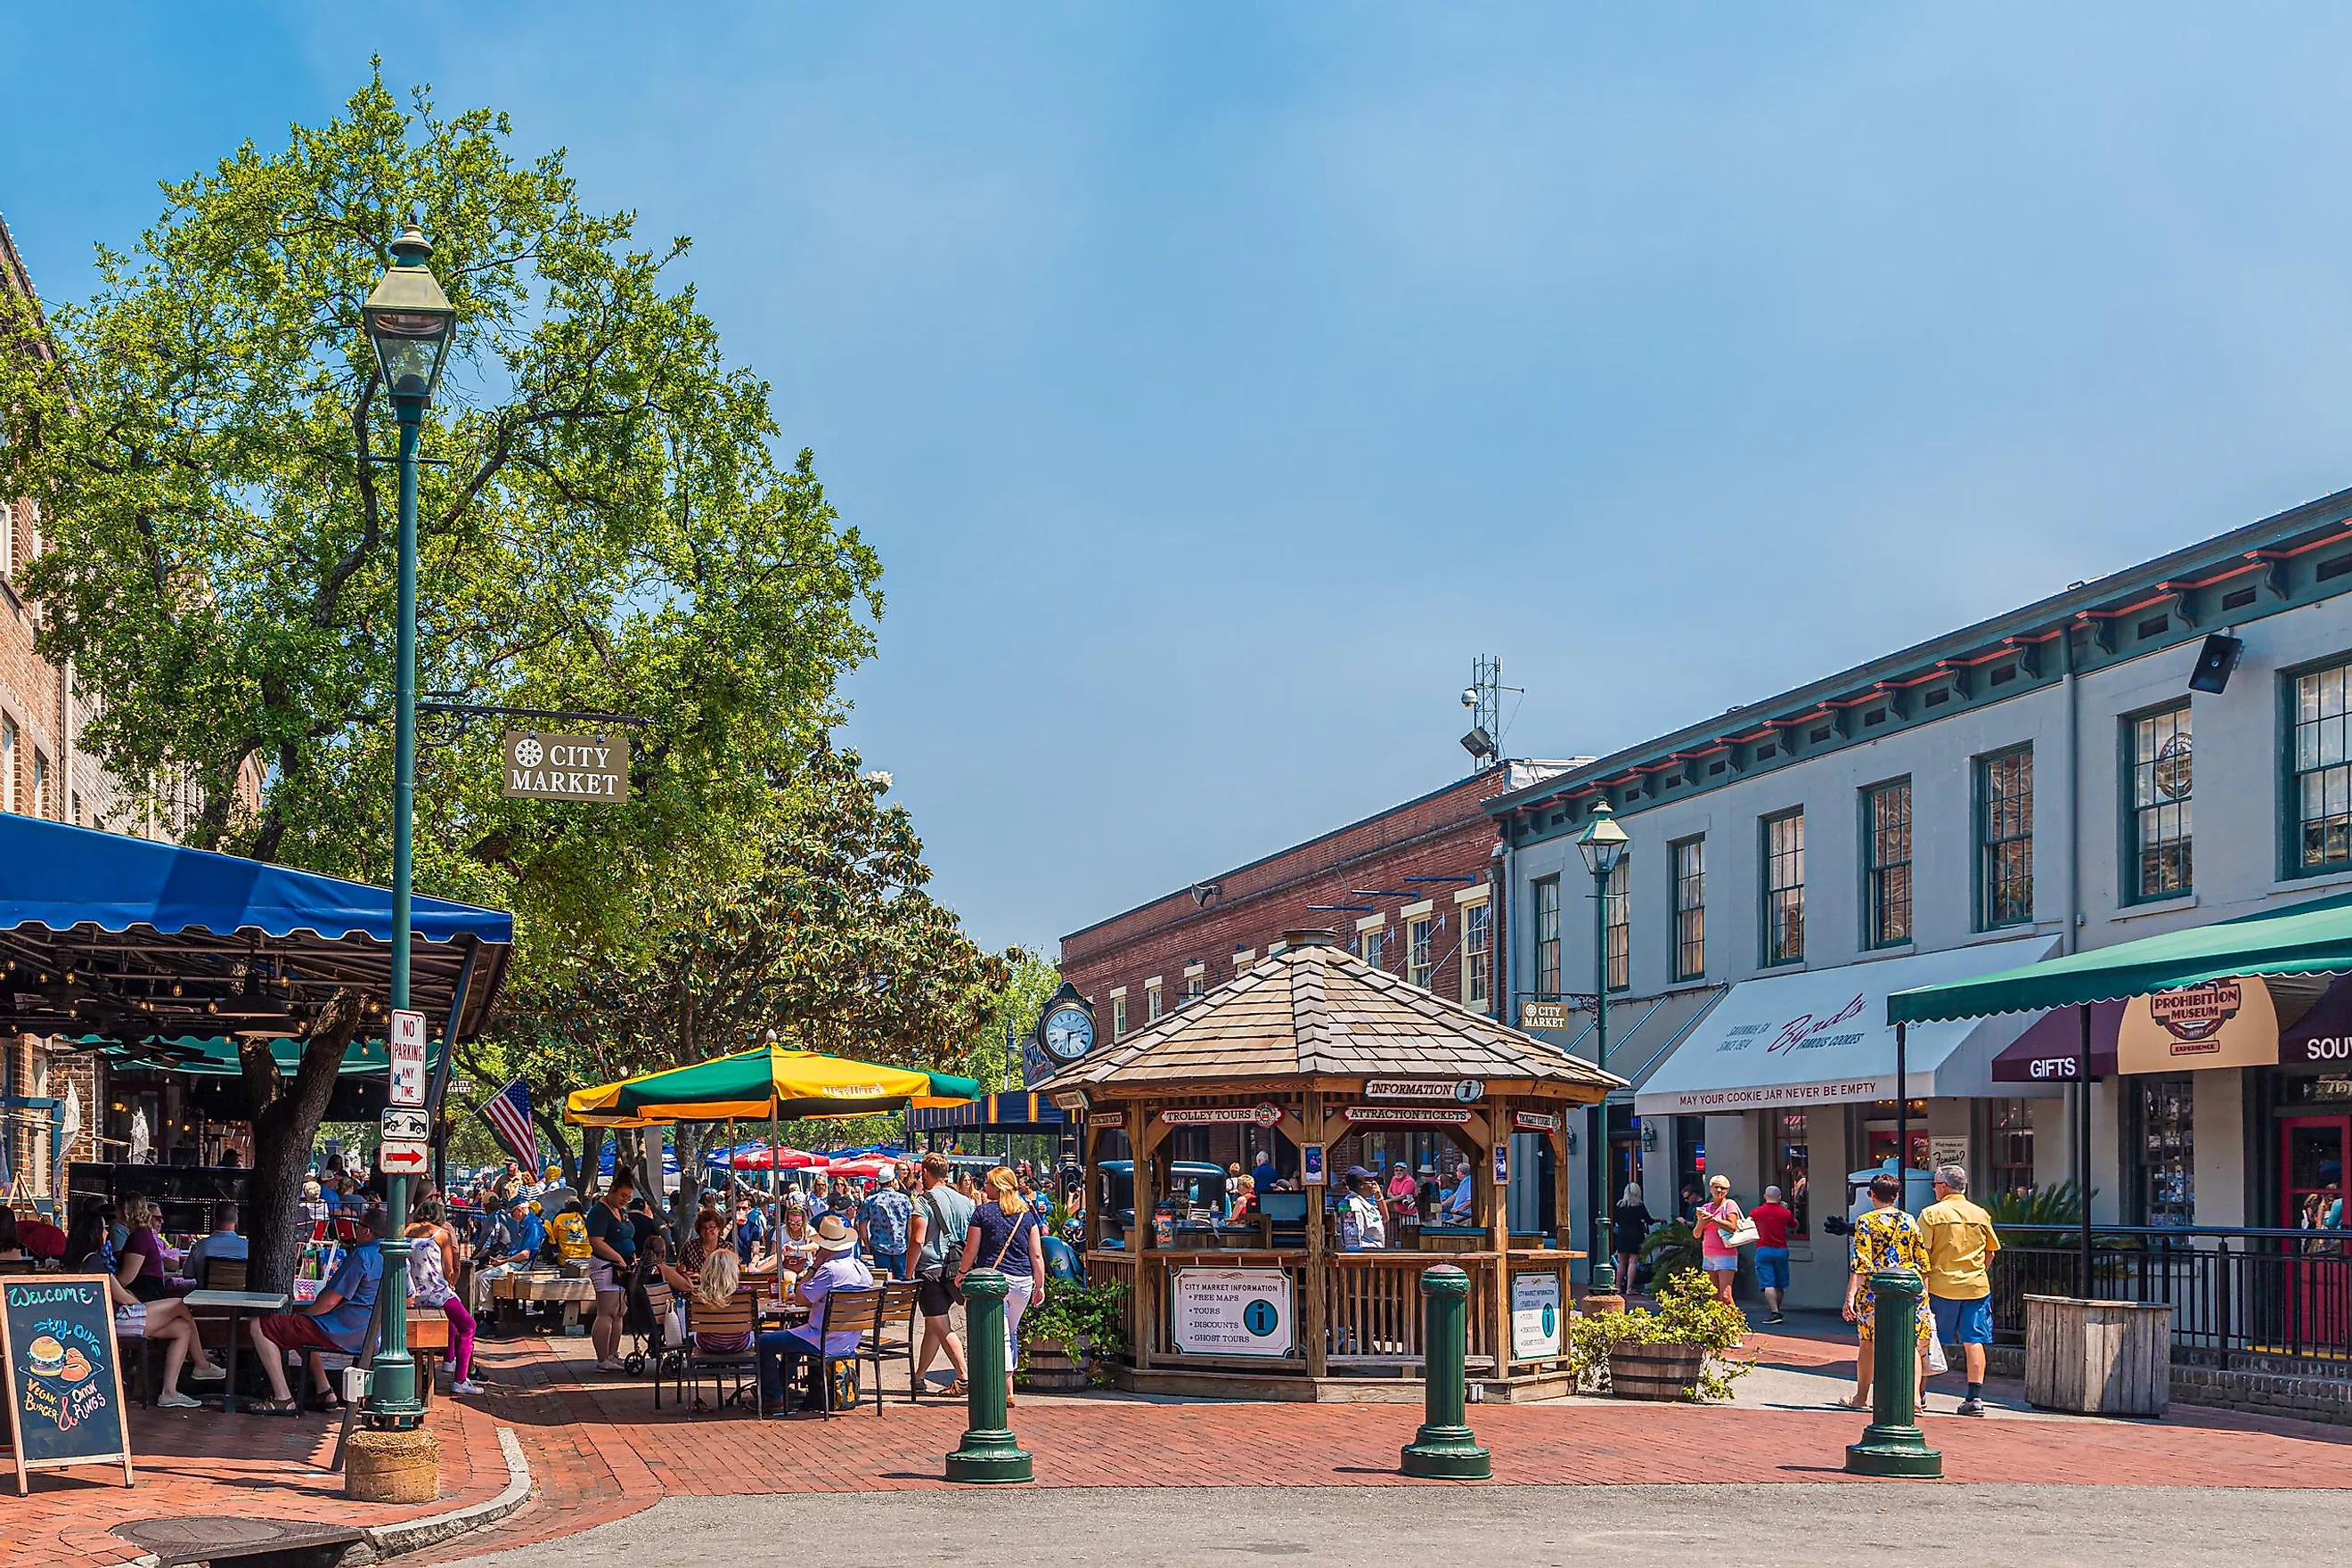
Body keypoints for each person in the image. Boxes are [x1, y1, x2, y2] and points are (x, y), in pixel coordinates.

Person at [249, 1200, 387, 1412]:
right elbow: (408, 1298)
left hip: (344, 1331)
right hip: (371, 1332)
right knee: (302, 1331)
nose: (355, 1229)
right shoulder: (395, 1257)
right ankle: (325, 1390)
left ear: (366, 1231)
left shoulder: (361, 1255)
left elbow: (330, 1300)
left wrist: (306, 1316)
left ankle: (283, 1397)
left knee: (260, 1325)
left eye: (358, 1226)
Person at [757, 1215, 874, 1410]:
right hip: (849, 1340)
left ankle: (773, 1396)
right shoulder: (862, 1270)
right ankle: (782, 1386)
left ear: (826, 1246)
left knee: (763, 1343)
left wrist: (813, 1266)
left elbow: (801, 1297)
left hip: (822, 1339)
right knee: (793, 1334)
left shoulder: (829, 1270)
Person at [1842, 1172, 1931, 1411]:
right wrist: (1924, 1296)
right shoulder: (1909, 1220)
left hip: (1875, 1290)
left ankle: (1861, 1397)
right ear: (1897, 1195)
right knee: (1910, 1344)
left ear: (1871, 1194)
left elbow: (1861, 1263)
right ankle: (1913, 1399)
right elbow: (1923, 1261)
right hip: (1909, 1289)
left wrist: (1850, 1296)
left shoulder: (1865, 1222)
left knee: (1868, 1344)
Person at [1918, 1164, 2001, 1417]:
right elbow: (1990, 1252)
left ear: (1943, 1186)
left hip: (1940, 1286)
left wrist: (1923, 1285)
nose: (1934, 1189)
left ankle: (1918, 1395)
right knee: (1974, 1341)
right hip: (1975, 1286)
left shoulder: (1931, 1214)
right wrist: (1978, 1272)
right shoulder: (1980, 1213)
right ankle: (1975, 1398)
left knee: (1925, 1341)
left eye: (1934, 1184)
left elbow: (1923, 1254)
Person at [959, 1167, 1046, 1406]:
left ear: (997, 1187)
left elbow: (971, 1249)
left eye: (987, 1183)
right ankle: (1007, 1383)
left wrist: (962, 1273)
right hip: (1023, 1282)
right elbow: (1036, 1255)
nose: (984, 1187)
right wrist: (1041, 1285)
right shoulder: (1027, 1215)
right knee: (1010, 1332)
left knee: (1002, 1336)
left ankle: (1007, 1389)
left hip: (993, 1280)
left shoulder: (982, 1213)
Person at [907, 1151, 973, 1397]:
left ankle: (964, 1376)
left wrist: (908, 1272)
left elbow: (917, 1240)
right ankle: (919, 1376)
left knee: (941, 1326)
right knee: (934, 1323)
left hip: (931, 1269)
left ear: (925, 1173)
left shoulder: (923, 1201)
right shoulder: (965, 1201)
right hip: (956, 1268)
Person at [406, 1197, 483, 1396]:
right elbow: (449, 1269)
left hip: (413, 1294)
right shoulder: (442, 1235)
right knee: (468, 1327)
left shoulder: (406, 1231)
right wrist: (452, 1282)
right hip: (436, 1293)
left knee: (450, 1319)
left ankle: (449, 1359)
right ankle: (460, 1379)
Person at [585, 1172, 639, 1372]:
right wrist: (617, 1257)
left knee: (619, 1312)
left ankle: (613, 1353)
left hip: (623, 1266)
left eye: (628, 1197)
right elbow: (596, 1241)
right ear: (613, 1190)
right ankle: (602, 1357)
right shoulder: (600, 1212)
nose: (625, 1200)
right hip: (606, 1265)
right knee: (606, 1312)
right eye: (623, 1196)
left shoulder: (622, 1212)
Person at [114, 1197, 180, 1302]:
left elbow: (125, 1279)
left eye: (117, 1209)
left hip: (145, 1296)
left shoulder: (139, 1237)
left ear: (126, 1211)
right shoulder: (142, 1234)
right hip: (147, 1293)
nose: (115, 1213)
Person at [1749, 1185, 1797, 1325]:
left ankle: (1775, 1312)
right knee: (1780, 1283)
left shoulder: (1756, 1212)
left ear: (1765, 1196)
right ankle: (1777, 1309)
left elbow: (1746, 1226)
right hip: (1781, 1249)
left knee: (1768, 1283)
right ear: (1780, 1197)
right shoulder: (1785, 1213)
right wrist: (1786, 1210)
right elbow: (1795, 1225)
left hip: (1763, 1249)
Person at [1695, 1175, 1744, 1305]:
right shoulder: (1706, 1207)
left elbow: (1732, 1227)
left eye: (1723, 1188)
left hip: (1725, 1254)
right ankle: (1716, 1325)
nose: (1719, 1190)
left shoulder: (1729, 1205)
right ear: (1710, 1189)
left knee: (1726, 1296)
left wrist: (1713, 1219)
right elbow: (1696, 1234)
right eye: (1716, 1187)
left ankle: (1736, 1323)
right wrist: (1701, 1222)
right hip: (1708, 1254)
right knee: (1713, 1295)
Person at [859, 1166, 915, 1280]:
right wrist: (910, 1244)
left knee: (883, 1279)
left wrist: (866, 1243)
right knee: (902, 1279)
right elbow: (910, 1226)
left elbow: (862, 1225)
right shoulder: (904, 1199)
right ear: (893, 1181)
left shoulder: (870, 1200)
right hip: (901, 1246)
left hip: (879, 1246)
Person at [184, 1202, 249, 1286]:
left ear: (214, 1219)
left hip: (205, 1298)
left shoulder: (200, 1246)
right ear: (236, 1220)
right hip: (238, 1298)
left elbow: (187, 1274)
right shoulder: (247, 1247)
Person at [1612, 1183, 1656, 1299]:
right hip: (1636, 1234)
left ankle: (1617, 1287)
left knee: (1621, 1262)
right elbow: (1649, 1220)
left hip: (1622, 1234)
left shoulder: (1620, 1205)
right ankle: (1629, 1288)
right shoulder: (1639, 1205)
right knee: (1632, 1262)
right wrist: (1658, 1220)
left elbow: (1617, 1220)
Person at [1338, 1169, 1387, 1251]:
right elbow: (1353, 1241)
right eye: (1371, 1181)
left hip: (1376, 1254)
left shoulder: (1365, 1201)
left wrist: (1379, 1196)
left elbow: (1385, 1219)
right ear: (1361, 1185)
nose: (1374, 1185)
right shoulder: (1353, 1205)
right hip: (1367, 1256)